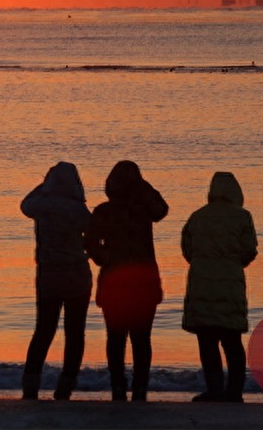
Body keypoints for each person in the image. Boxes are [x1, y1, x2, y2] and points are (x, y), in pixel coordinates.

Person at [84, 161, 168, 402]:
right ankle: (138, 387)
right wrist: (144, 186)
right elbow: (161, 209)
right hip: (142, 282)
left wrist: (103, 258)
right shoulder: (143, 210)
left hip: (115, 281)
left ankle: (119, 387)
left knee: (116, 337)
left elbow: (90, 244)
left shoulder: (105, 211)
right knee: (141, 338)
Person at [182, 172, 258, 403]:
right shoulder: (242, 217)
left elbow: (187, 250)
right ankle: (234, 391)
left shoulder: (197, 216)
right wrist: (232, 263)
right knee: (232, 341)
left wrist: (204, 263)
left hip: (201, 285)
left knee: (207, 341)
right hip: (230, 286)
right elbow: (249, 250)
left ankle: (214, 389)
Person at [20, 162, 92, 401]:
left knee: (43, 331)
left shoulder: (41, 206)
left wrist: (44, 186)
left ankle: (30, 386)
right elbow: (93, 230)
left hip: (49, 275)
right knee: (75, 334)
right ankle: (65, 387)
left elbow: (25, 204)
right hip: (76, 276)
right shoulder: (77, 209)